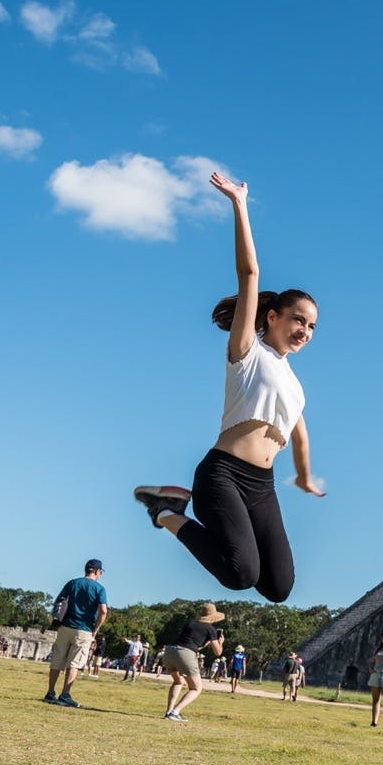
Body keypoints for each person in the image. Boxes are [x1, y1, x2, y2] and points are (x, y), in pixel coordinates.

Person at [133, 172, 323, 604]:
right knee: (240, 574)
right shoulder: (246, 352)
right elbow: (249, 273)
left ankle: (168, 510)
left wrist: (306, 476)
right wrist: (239, 204)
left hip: (263, 484)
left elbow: (299, 431)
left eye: (311, 326)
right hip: (223, 474)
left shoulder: (293, 383)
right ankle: (165, 513)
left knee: (278, 587)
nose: (305, 331)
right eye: (298, 319)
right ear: (271, 315)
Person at [44, 560, 108, 707]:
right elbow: (103, 611)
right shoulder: (99, 589)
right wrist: (95, 630)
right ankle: (65, 695)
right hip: (84, 629)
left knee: (57, 660)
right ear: (97, 571)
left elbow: (58, 601)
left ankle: (50, 692)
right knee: (74, 663)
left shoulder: (72, 583)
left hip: (65, 626)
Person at [162, 603, 226, 722]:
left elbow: (189, 642)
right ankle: (175, 712)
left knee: (178, 682)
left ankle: (168, 711)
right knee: (196, 688)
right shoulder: (210, 629)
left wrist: (204, 643)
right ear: (213, 617)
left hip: (169, 651)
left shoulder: (190, 623)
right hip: (185, 654)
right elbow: (218, 652)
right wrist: (221, 642)